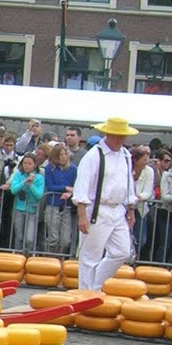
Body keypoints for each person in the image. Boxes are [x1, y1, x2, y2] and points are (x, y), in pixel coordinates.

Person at [73, 116, 138, 290]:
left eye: (123, 136)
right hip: (96, 209)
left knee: (122, 251)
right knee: (90, 257)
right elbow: (82, 186)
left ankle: (96, 284)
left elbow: (128, 183)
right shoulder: (94, 155)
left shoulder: (125, 155)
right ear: (107, 134)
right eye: (117, 135)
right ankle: (85, 292)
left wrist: (131, 208)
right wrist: (82, 215)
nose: (121, 140)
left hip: (118, 209)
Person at [41, 143, 76, 254]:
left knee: (66, 240)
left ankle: (60, 259)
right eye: (61, 155)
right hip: (53, 205)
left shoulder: (73, 169)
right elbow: (50, 186)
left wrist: (71, 193)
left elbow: (76, 186)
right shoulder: (49, 169)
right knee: (53, 237)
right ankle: (49, 260)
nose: (64, 157)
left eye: (65, 154)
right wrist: (66, 188)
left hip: (67, 207)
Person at [8, 152, 44, 253]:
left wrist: (31, 185)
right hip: (19, 209)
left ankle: (28, 258)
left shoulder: (40, 177)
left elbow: (39, 195)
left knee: (29, 239)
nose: (27, 166)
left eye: (29, 164)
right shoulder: (18, 175)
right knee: (19, 237)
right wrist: (24, 182)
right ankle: (17, 258)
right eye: (25, 163)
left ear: (34, 165)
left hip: (32, 210)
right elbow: (13, 190)